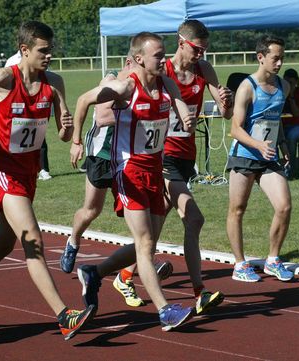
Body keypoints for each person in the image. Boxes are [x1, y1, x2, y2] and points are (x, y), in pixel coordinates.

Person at [0, 21, 95, 341]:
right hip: (3, 171)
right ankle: (64, 315)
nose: (49, 55)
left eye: (51, 49)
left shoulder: (54, 83)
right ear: (25, 51)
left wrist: (66, 126)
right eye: (43, 50)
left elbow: (63, 134)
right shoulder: (0, 78)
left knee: (3, 244)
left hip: (29, 173)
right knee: (32, 241)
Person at [70, 32, 196, 331]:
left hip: (154, 171)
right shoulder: (125, 86)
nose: (164, 60)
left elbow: (177, 97)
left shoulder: (164, 82)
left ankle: (94, 272)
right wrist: (76, 140)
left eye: (164, 54)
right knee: (146, 242)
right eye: (158, 56)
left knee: (148, 240)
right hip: (129, 172)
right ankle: (165, 311)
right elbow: (83, 99)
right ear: (139, 58)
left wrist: (184, 117)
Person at [60, 55, 174, 308]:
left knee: (144, 225)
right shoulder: (115, 82)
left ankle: (133, 268)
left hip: (134, 161)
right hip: (103, 154)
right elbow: (101, 116)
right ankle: (74, 241)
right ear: (131, 60)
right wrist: (140, 111)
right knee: (92, 209)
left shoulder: (152, 86)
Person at [154, 19, 233, 314]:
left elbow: (224, 114)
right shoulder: (163, 69)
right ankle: (199, 291)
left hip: (186, 156)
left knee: (155, 223)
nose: (201, 55)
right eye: (197, 49)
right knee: (195, 219)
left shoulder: (204, 69)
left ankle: (121, 274)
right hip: (161, 156)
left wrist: (226, 101)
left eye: (205, 50)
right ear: (181, 42)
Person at [227, 35, 294, 283]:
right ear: (261, 57)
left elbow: (276, 121)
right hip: (245, 155)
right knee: (237, 209)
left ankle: (273, 260)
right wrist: (258, 145)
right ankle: (240, 264)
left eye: (282, 59)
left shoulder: (283, 87)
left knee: (284, 206)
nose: (279, 63)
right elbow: (235, 129)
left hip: (268, 157)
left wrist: (283, 145)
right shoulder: (247, 87)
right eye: (275, 58)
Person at [4, 52, 52, 181]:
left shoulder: (41, 58)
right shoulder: (12, 60)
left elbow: (47, 83)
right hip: (17, 109)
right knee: (15, 141)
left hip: (37, 105)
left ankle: (43, 169)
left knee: (40, 139)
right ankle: (14, 170)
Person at [282, 68, 299, 178]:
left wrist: (291, 95)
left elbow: (297, 113)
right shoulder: (280, 93)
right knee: (273, 137)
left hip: (298, 126)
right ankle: (273, 169)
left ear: (296, 82)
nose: (288, 85)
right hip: (282, 125)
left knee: (291, 137)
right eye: (286, 82)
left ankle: (291, 170)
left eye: (291, 82)